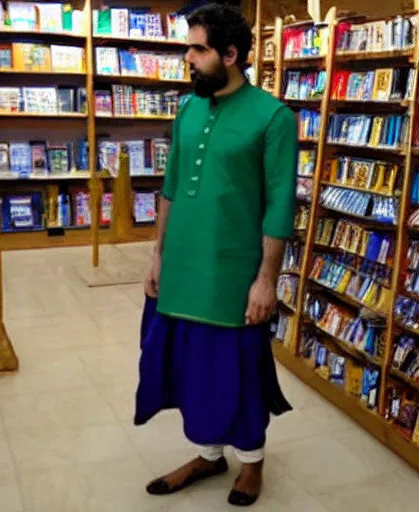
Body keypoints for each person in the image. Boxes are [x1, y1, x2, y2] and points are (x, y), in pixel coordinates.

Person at [135, 3, 297, 507]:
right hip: (181, 269)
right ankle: (208, 455)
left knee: (238, 372)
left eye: (198, 49)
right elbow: (170, 187)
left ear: (230, 54)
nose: (187, 57)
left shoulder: (273, 118)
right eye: (189, 46)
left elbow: (279, 207)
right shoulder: (187, 109)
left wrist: (266, 280)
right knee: (189, 368)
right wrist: (158, 256)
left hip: (232, 275)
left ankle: (251, 463)